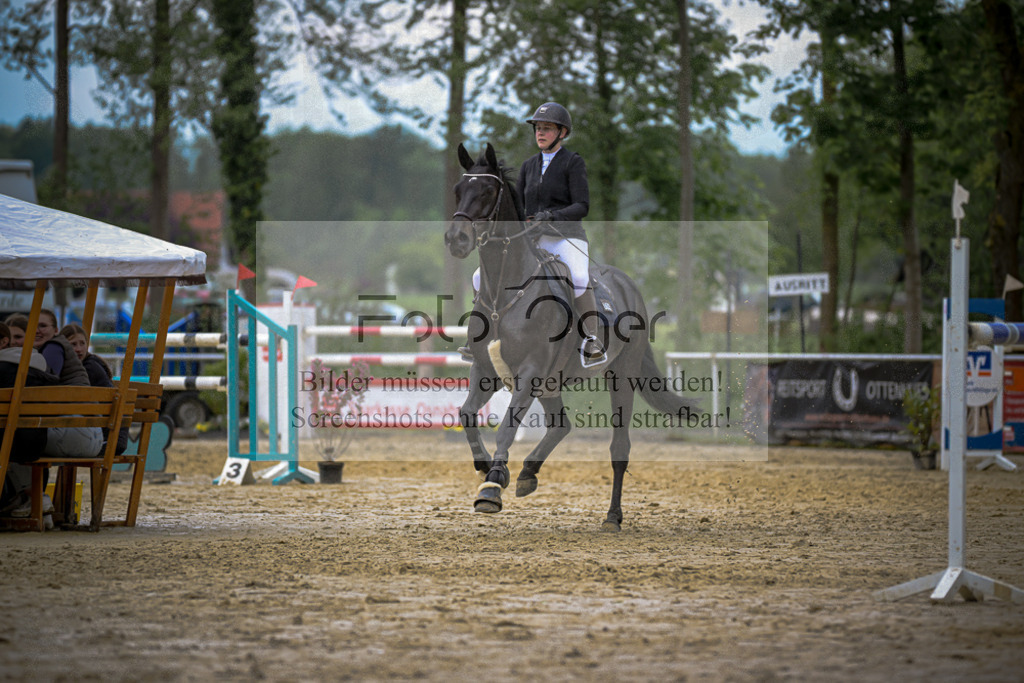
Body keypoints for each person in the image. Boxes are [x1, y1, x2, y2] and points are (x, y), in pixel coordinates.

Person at [462, 102, 606, 367]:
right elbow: (520, 206)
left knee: (579, 275)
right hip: (534, 238)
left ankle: (592, 339)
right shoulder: (528, 166)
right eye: (538, 128)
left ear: (562, 133)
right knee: (478, 275)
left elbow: (582, 205)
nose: (540, 133)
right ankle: (480, 334)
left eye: (547, 129)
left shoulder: (572, 163)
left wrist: (553, 216)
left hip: (566, 237)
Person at [60, 323, 128, 455]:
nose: (79, 349)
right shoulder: (90, 363)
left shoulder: (88, 368)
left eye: (82, 343)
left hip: (109, 440)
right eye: (73, 344)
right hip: (111, 436)